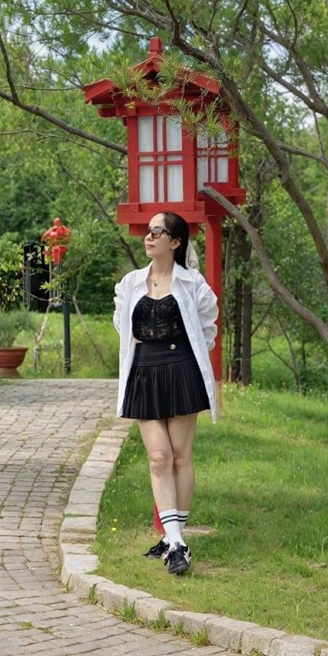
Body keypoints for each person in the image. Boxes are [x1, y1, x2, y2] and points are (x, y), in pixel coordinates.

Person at [114, 211, 218, 576]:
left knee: (179, 456)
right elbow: (122, 326)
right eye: (149, 230)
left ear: (175, 242)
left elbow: (207, 327)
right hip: (143, 372)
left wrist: (185, 359)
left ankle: (173, 539)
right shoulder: (130, 283)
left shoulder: (192, 284)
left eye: (158, 231)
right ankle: (176, 542)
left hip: (180, 369)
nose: (149, 236)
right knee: (159, 457)